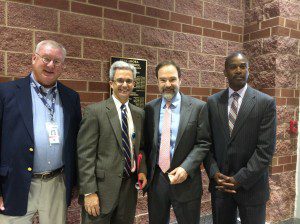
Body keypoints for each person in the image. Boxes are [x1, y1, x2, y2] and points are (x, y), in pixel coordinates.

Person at [0, 40, 82, 224]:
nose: (51, 65)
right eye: (46, 58)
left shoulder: (71, 97)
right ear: (34, 58)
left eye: (57, 61)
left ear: (62, 67)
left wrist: (74, 182)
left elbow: (76, 143)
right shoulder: (6, 93)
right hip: (15, 183)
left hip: (57, 182)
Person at [204, 52, 277, 224]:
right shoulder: (213, 102)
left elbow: (265, 150)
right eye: (233, 67)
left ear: (249, 70)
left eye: (243, 66)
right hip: (221, 186)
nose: (238, 70)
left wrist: (240, 179)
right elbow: (206, 144)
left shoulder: (265, 103)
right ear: (225, 72)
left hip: (252, 187)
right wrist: (214, 173)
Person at [77, 60, 147, 224]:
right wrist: (89, 192)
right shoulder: (95, 112)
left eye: (129, 81)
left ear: (134, 84)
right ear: (111, 83)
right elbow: (85, 155)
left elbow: (141, 148)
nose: (124, 85)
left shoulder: (139, 114)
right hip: (101, 191)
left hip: (129, 189)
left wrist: (142, 170)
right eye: (120, 80)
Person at [144, 60, 211, 224]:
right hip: (157, 180)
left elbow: (203, 142)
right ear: (157, 82)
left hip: (186, 180)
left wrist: (186, 167)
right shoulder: (149, 109)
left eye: (172, 79)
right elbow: (146, 146)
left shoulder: (198, 107)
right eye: (163, 80)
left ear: (180, 80)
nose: (168, 84)